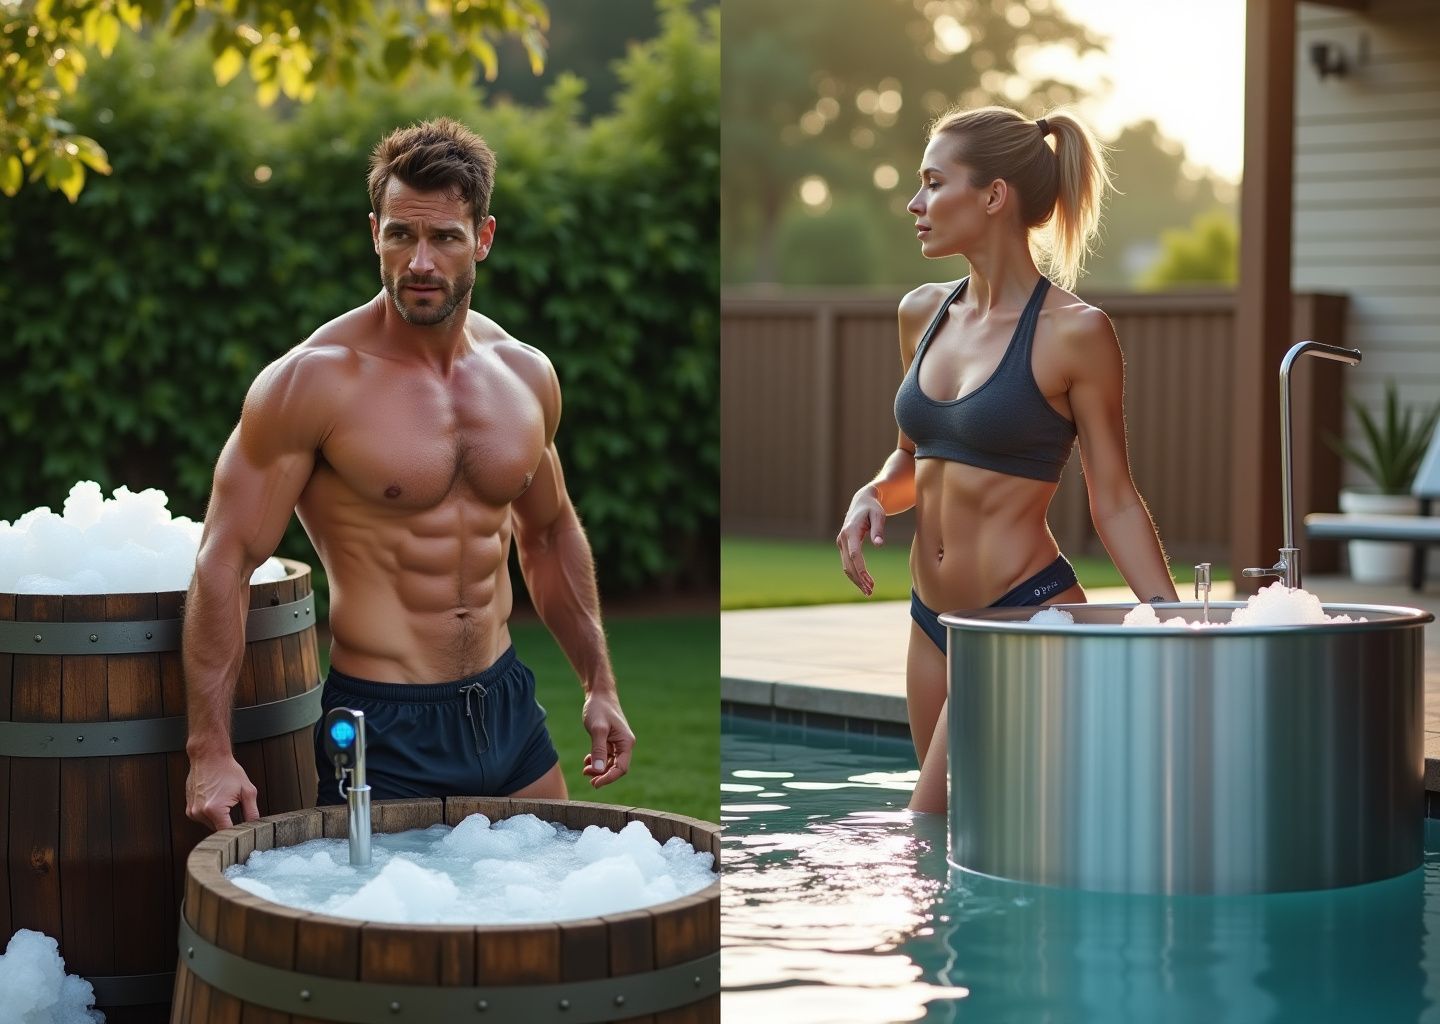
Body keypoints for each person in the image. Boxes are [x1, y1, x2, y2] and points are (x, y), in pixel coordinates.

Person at [183, 117, 635, 831]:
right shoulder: (312, 382)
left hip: (507, 707)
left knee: (550, 893)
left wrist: (599, 684)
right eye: (401, 234)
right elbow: (225, 559)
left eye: (445, 237)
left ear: (483, 238)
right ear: (375, 234)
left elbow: (549, 536)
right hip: (383, 726)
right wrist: (209, 749)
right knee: (387, 906)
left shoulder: (525, 374)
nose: (420, 262)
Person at [836, 106, 1177, 815]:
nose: (915, 203)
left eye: (934, 183)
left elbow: (1114, 497)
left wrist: (1173, 624)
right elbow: (912, 459)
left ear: (993, 196)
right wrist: (872, 493)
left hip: (1023, 617)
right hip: (931, 621)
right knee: (960, 840)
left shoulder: (1076, 333)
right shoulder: (922, 312)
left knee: (924, 824)